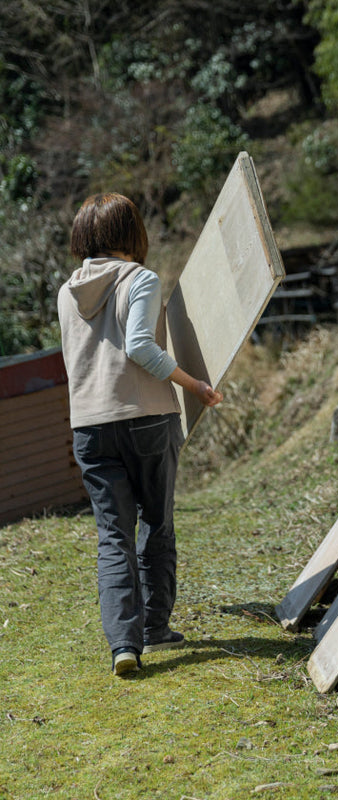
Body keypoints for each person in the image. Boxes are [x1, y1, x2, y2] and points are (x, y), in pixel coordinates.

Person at [57, 192, 222, 677]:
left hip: (89, 425)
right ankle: (155, 628)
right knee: (157, 523)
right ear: (132, 234)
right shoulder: (140, 278)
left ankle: (123, 646)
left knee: (113, 536)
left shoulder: (67, 292)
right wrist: (195, 385)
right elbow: (139, 348)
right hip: (147, 418)